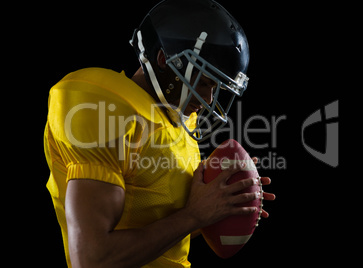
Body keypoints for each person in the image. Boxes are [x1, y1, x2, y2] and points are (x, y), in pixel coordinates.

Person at [43, 0, 275, 267]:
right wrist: (195, 216)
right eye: (204, 81)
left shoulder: (178, 122)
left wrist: (223, 203)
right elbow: (93, 258)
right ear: (165, 60)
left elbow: (157, 221)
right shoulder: (104, 108)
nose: (208, 98)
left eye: (217, 86)